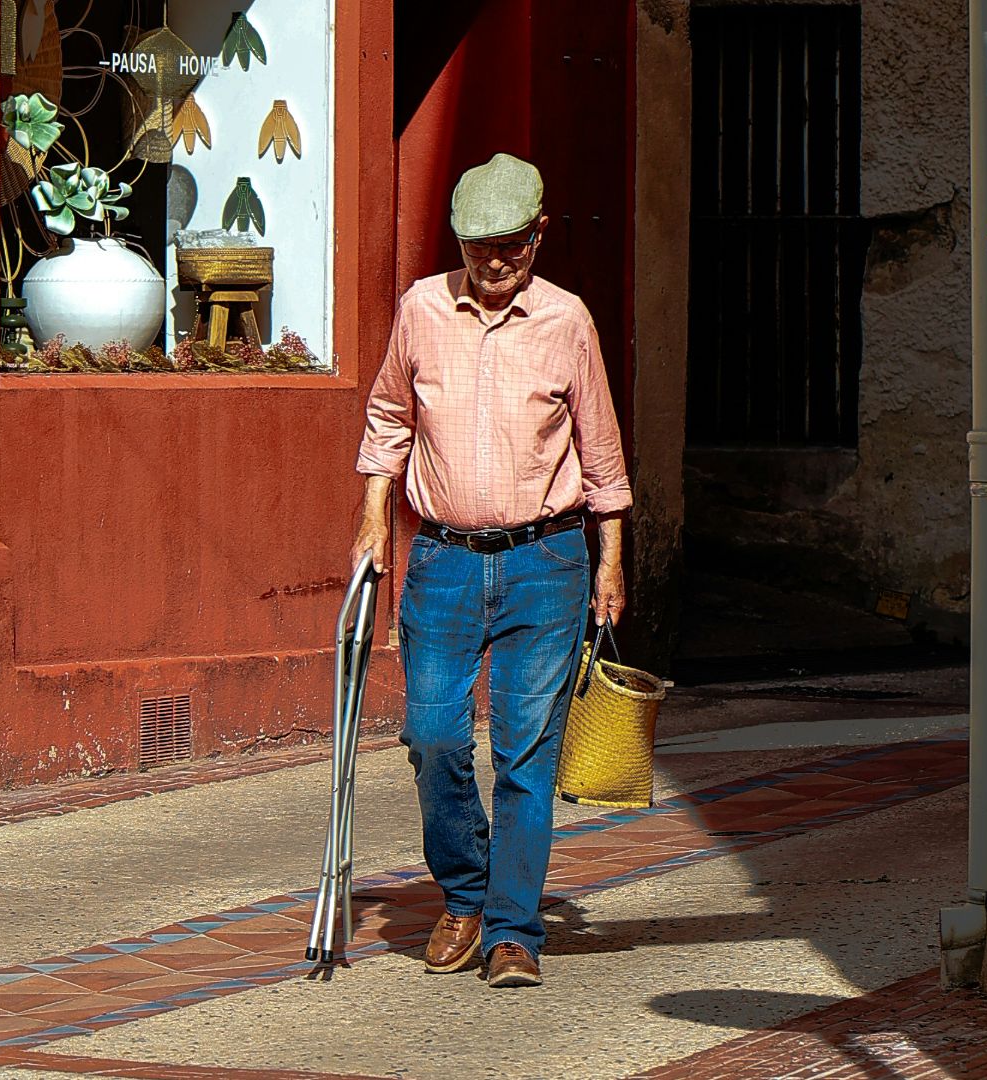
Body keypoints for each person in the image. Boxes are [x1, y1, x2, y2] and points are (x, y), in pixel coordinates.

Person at [352, 153, 631, 988]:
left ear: (540, 233)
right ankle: (466, 892)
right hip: (441, 559)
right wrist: (374, 521)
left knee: (525, 756)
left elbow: (603, 455)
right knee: (434, 737)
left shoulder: (568, 322)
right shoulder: (422, 309)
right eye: (479, 248)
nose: (496, 262)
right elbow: (388, 418)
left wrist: (610, 563)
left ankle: (514, 929)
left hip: (547, 562)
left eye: (511, 245)